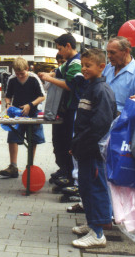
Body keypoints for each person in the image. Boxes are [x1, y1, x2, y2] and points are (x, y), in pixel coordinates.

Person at [70, 48, 117, 249]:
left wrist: (81, 145)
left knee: (96, 189)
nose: (84, 69)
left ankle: (98, 233)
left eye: (88, 65)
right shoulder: (90, 87)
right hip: (85, 149)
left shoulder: (101, 90)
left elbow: (99, 125)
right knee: (86, 188)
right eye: (83, 65)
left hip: (93, 151)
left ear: (101, 67)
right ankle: (92, 224)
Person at [38, 33, 86, 189]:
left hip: (73, 109)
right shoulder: (69, 62)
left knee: (67, 142)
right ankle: (63, 169)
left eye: (60, 49)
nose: (59, 53)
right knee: (59, 141)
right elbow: (59, 72)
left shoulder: (76, 63)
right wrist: (49, 74)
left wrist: (49, 79)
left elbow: (71, 85)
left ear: (68, 46)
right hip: (64, 109)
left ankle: (69, 174)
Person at [0, 57, 45, 178]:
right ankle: (13, 166)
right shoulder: (12, 79)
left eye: (22, 73)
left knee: (32, 139)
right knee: (12, 137)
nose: (19, 76)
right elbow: (8, 96)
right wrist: (8, 104)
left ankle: (30, 166)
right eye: (17, 73)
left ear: (27, 69)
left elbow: (42, 96)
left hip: (33, 112)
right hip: (17, 113)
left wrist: (30, 105)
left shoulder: (34, 79)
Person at [103, 36, 135, 113]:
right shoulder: (108, 68)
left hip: (124, 121)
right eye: (107, 52)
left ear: (126, 51)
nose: (108, 56)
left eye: (112, 52)